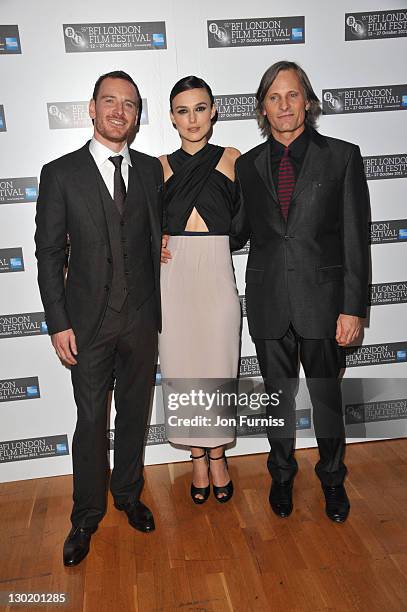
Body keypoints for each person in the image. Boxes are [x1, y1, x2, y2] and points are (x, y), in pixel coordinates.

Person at [35, 70, 163, 566]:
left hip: (140, 320)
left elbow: (157, 236)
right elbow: (48, 255)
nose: (119, 111)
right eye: (109, 101)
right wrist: (57, 321)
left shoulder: (151, 171)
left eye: (129, 104)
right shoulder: (60, 173)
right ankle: (86, 515)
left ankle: (128, 495)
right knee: (91, 421)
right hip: (87, 324)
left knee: (134, 413)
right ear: (91, 108)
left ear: (136, 115)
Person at [234, 61, 370, 522]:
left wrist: (352, 307)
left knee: (327, 399)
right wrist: (177, 232)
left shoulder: (342, 156)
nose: (284, 105)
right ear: (262, 109)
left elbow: (356, 237)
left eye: (292, 95)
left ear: (307, 101)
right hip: (269, 301)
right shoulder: (247, 167)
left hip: (324, 305)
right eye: (273, 98)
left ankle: (333, 480)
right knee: (278, 400)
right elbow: (236, 231)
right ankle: (281, 475)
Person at [159, 76, 242, 504]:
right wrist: (152, 240)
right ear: (172, 117)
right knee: (182, 367)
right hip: (173, 281)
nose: (192, 119)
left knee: (218, 366)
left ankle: (218, 454)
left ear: (214, 110)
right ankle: (196, 455)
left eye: (200, 108)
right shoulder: (159, 166)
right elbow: (139, 225)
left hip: (216, 271)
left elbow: (245, 227)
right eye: (182, 110)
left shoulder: (232, 158)